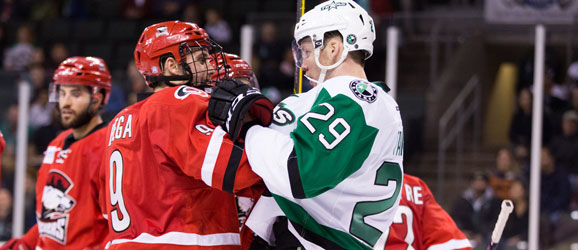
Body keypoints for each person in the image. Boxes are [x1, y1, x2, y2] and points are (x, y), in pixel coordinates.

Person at [209, 1, 403, 249]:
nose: (304, 64)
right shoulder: (376, 102)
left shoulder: (353, 98)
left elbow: (298, 172)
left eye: (308, 52)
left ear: (334, 48)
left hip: (317, 240)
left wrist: (249, 128)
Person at [102, 21, 271, 249]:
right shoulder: (176, 101)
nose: (210, 68)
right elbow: (236, 169)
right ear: (171, 65)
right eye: (200, 60)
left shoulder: (120, 120)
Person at [0, 56, 112, 249]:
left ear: (98, 97)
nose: (65, 103)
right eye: (62, 93)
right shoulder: (56, 143)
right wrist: (24, 244)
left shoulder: (109, 146)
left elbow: (121, 223)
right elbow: (51, 219)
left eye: (75, 94)